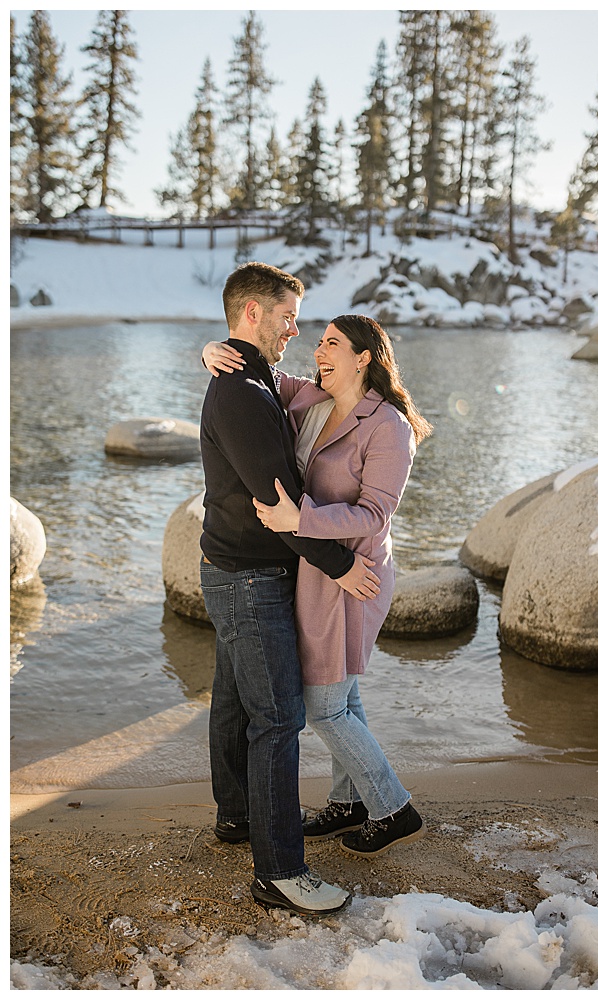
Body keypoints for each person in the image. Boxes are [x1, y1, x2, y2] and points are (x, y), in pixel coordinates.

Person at [202, 313, 432, 859]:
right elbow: (253, 377)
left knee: (323, 705)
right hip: (320, 571)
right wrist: (212, 350)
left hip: (354, 574)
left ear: (364, 358)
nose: (317, 351)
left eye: (331, 343)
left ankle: (393, 808)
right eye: (318, 342)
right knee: (343, 694)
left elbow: (374, 514)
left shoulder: (389, 426)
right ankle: (347, 802)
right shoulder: (312, 399)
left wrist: (298, 521)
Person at [198, 263, 380, 916]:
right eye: (285, 316)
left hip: (230, 570)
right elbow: (281, 502)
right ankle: (279, 872)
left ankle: (237, 815)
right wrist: (340, 566)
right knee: (277, 719)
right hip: (248, 578)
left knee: (234, 704)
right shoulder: (243, 391)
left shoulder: (248, 377)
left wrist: (209, 350)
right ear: (251, 313)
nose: (294, 329)